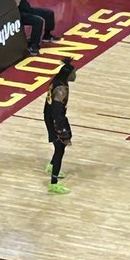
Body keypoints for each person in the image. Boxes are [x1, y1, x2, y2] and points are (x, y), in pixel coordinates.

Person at [45, 61, 75, 195]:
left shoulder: (57, 80)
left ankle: (51, 166)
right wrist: (64, 134)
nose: (75, 74)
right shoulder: (61, 90)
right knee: (60, 149)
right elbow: (57, 115)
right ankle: (54, 183)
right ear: (68, 74)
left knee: (59, 148)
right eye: (73, 72)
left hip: (48, 115)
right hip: (54, 120)